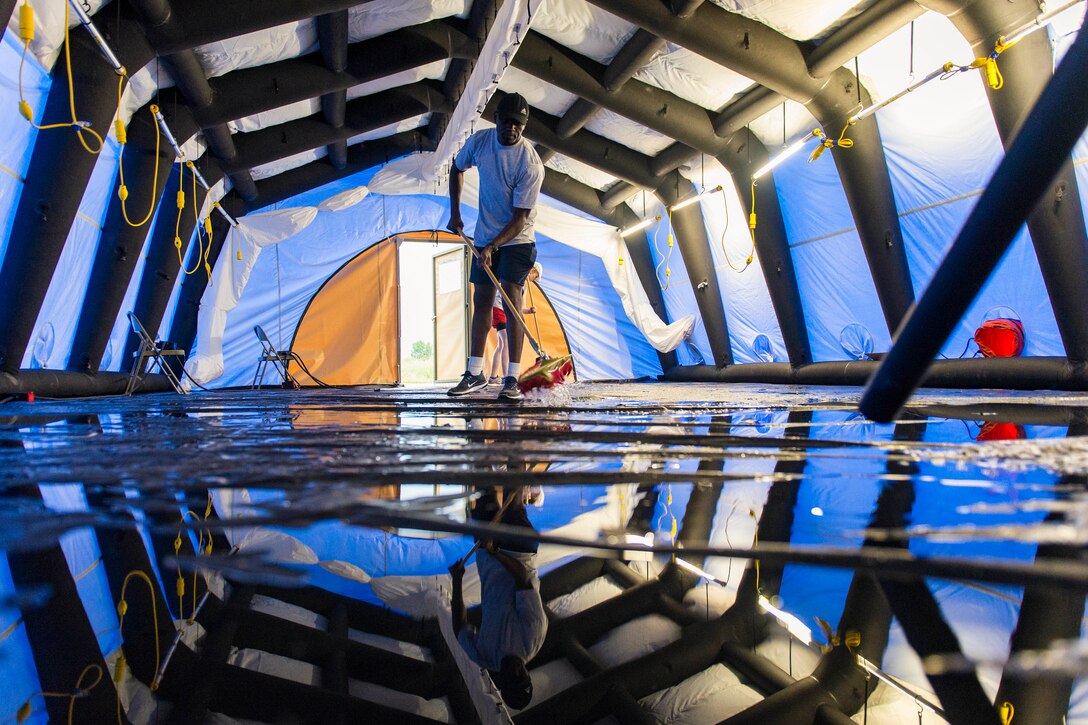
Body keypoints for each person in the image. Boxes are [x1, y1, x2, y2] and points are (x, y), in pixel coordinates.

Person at [446, 92, 545, 401]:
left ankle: (512, 378)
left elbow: (519, 219)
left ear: (524, 126)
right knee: (482, 300)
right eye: (507, 122)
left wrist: (493, 246)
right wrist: (455, 213)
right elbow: (456, 168)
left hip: (517, 239)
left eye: (519, 124)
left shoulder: (531, 164)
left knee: (512, 299)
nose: (511, 129)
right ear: (497, 120)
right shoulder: (481, 142)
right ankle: (474, 373)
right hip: (484, 236)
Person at [449, 489, 547, 710]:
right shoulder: (532, 637)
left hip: (487, 554)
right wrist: (496, 551)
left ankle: (484, 458)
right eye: (520, 675)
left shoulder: (484, 656)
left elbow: (459, 627)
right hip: (518, 550)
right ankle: (515, 458)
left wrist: (457, 581)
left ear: (501, 684)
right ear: (526, 674)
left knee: (484, 490)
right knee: (513, 494)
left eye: (511, 679)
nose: (514, 671)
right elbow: (522, 578)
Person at [489, 262, 542, 384]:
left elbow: (520, 308)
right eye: (535, 277)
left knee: (501, 345)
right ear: (532, 271)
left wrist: (529, 310)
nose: (534, 280)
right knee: (506, 341)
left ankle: (493, 377)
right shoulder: (515, 276)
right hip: (498, 308)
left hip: (508, 312)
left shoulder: (525, 287)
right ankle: (506, 376)